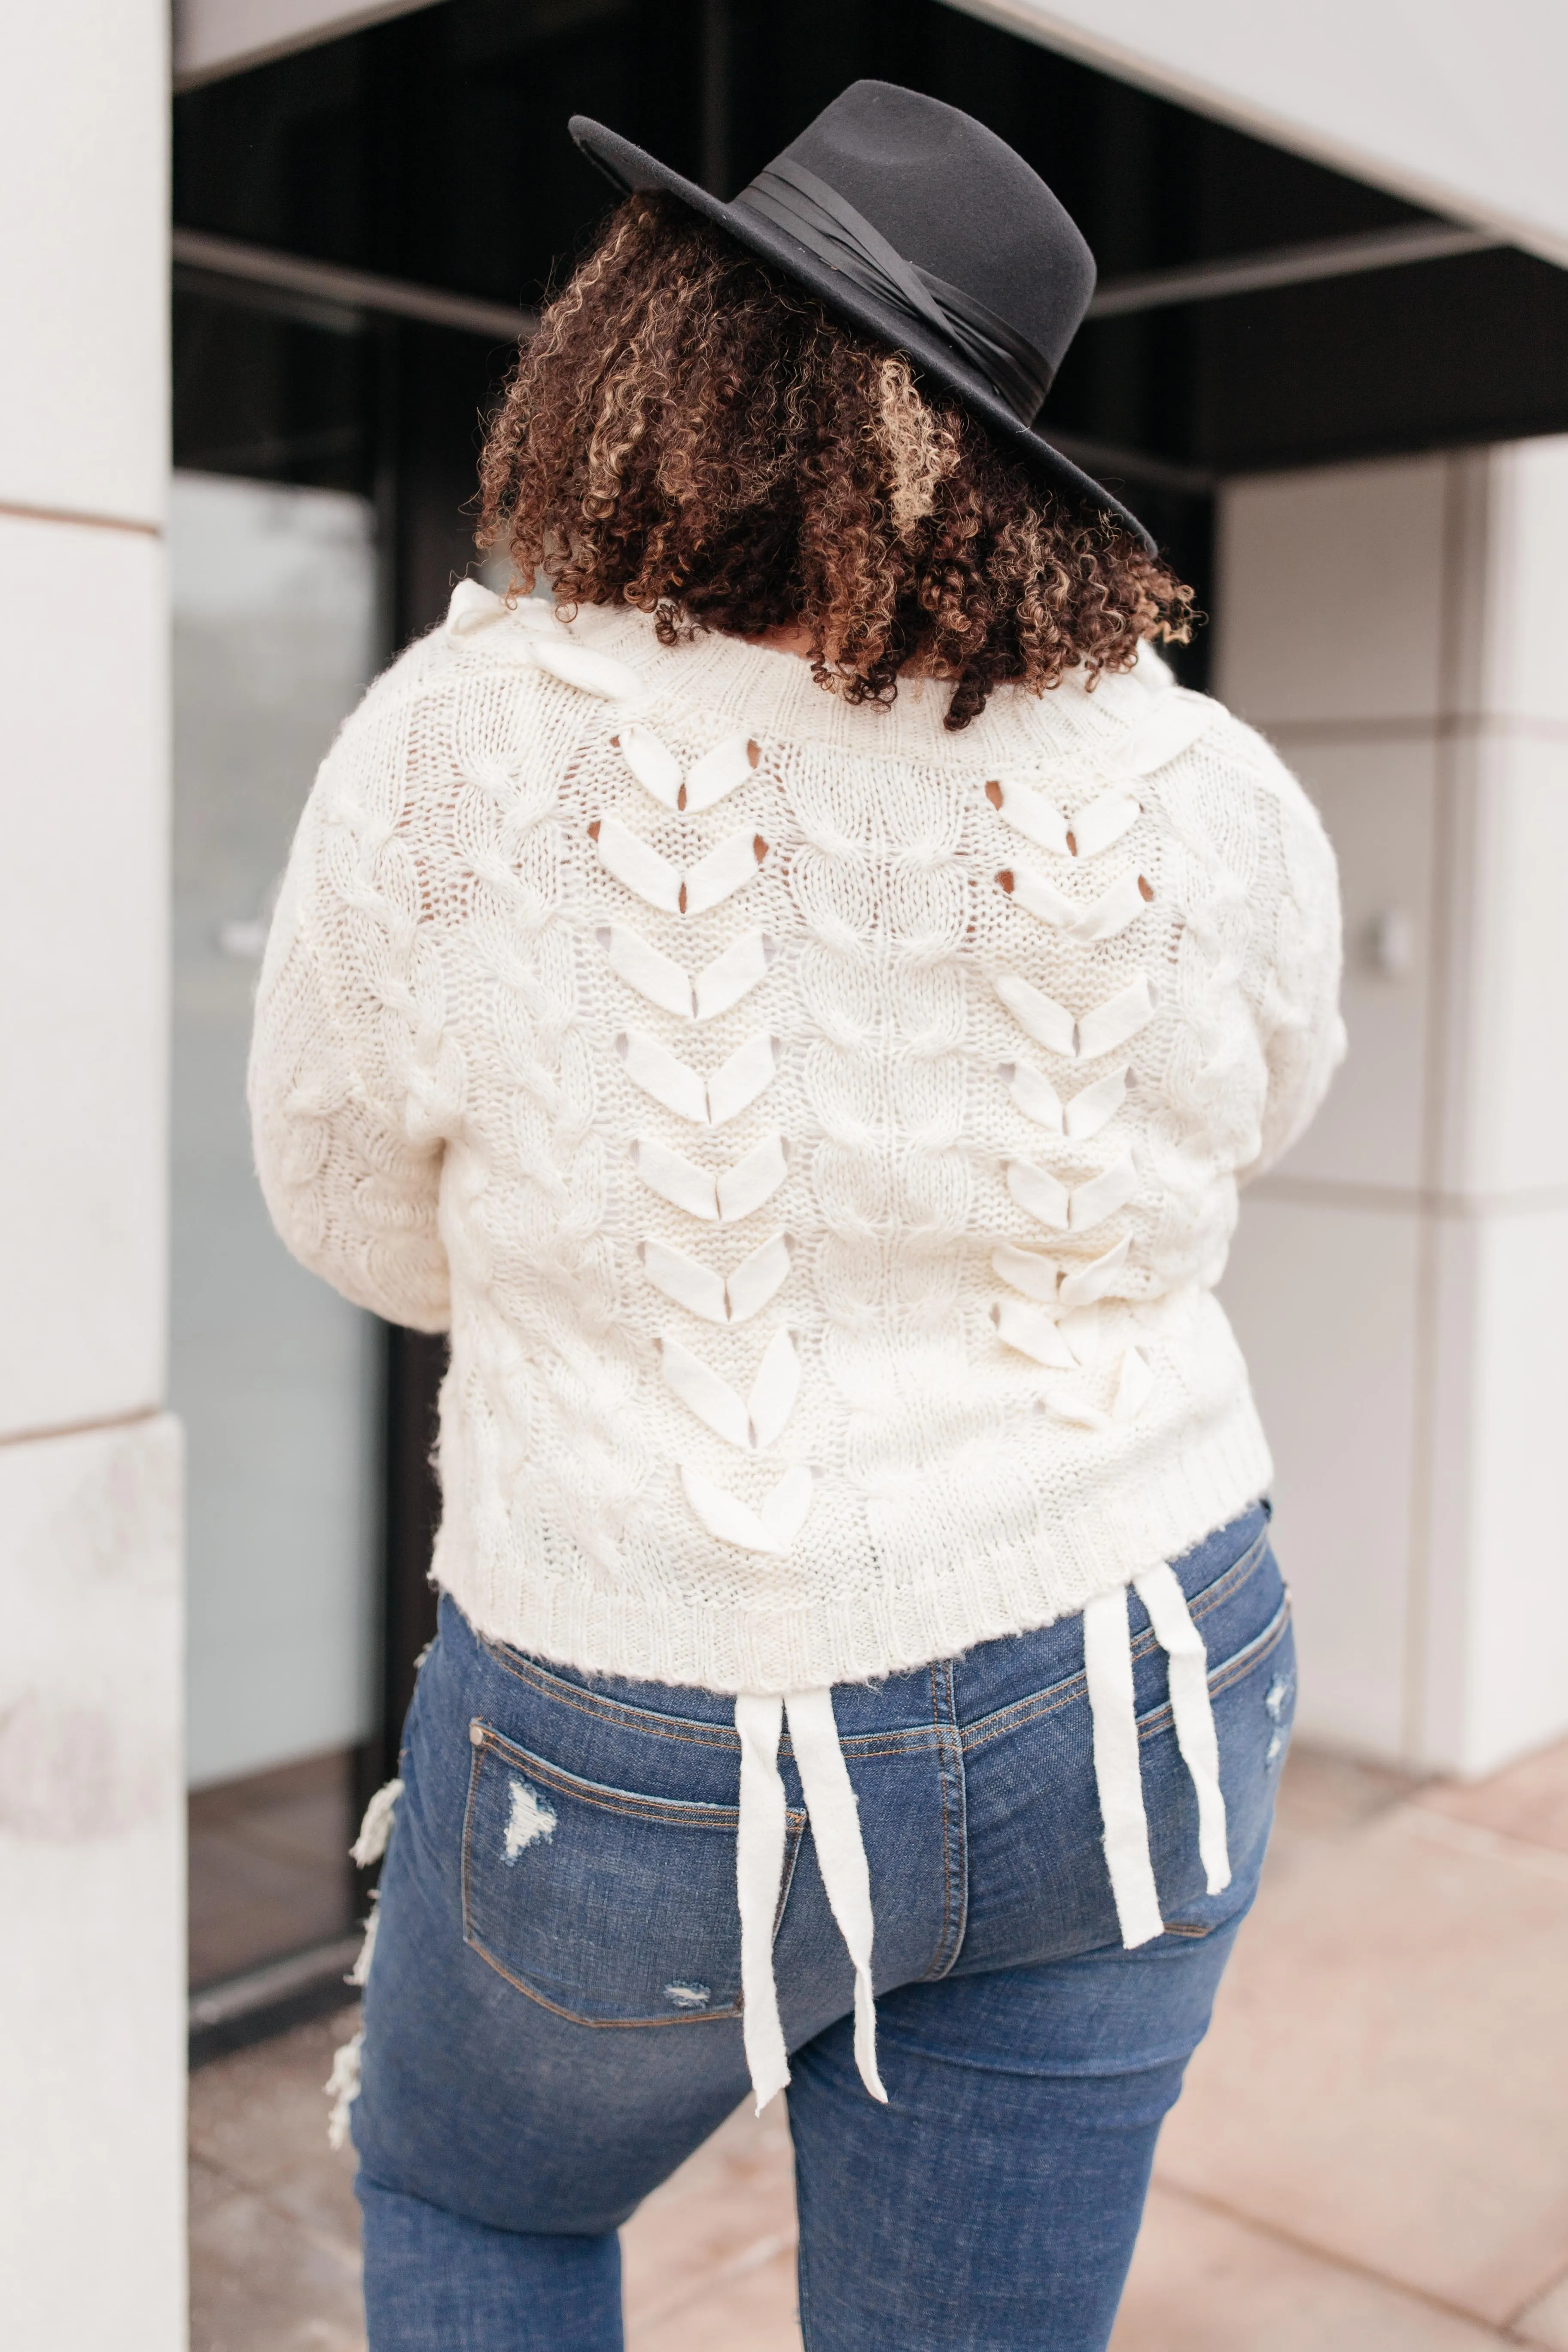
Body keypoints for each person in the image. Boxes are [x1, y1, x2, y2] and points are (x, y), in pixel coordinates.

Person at [250, 79, 1343, 2352]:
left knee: (478, 2195)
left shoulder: (464, 744)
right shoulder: (1205, 781)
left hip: (649, 1690)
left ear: (642, 358)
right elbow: (1265, 1114)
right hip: (1139, 1659)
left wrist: (652, 1295)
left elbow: (346, 1206)